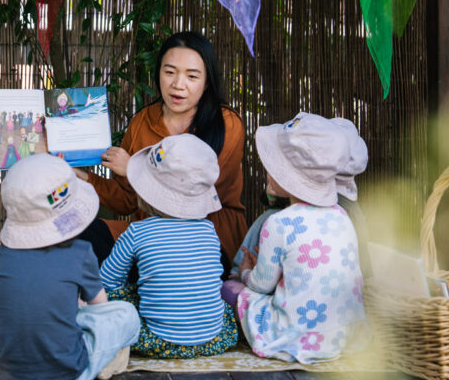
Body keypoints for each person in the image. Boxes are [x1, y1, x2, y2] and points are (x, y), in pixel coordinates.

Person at [76, 31, 246, 275]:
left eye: (192, 76)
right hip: (148, 234)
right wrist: (80, 176)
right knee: (80, 235)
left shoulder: (227, 123)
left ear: (207, 82)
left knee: (160, 256)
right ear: (158, 74)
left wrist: (135, 168)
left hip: (207, 235)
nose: (178, 84)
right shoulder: (142, 122)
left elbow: (197, 195)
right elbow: (125, 201)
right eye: (170, 72)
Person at [0, 154, 140, 380]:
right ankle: (103, 363)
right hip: (67, 376)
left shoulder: (5, 255)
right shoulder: (80, 252)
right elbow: (101, 307)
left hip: (5, 374)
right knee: (126, 313)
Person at [230, 113, 366, 362]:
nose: (268, 170)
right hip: (344, 336)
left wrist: (247, 272)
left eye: (275, 165)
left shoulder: (279, 222)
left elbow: (261, 285)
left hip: (293, 336)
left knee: (229, 290)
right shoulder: (342, 217)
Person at [99, 133, 238, 358]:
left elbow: (107, 282)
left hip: (156, 340)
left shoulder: (137, 231)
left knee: (115, 300)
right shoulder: (209, 230)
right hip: (215, 338)